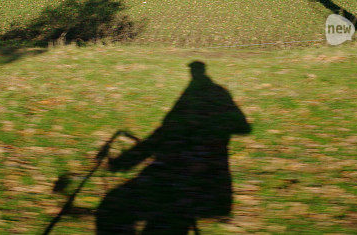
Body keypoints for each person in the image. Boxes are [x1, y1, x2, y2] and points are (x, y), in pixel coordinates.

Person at [96, 61, 251, 234]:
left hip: (175, 184)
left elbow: (159, 139)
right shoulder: (218, 96)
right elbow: (243, 127)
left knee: (113, 208)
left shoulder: (190, 103)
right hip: (207, 188)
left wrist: (121, 163)